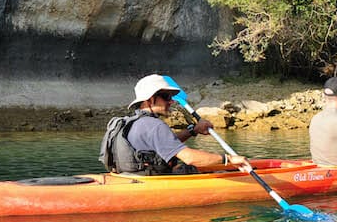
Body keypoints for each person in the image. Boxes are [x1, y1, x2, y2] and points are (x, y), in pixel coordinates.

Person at [101, 74, 245, 174]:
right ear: (150, 100)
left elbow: (166, 144)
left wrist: (193, 130)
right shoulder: (154, 126)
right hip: (152, 182)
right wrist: (228, 159)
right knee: (211, 170)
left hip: (129, 177)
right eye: (166, 97)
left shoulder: (132, 123)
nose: (171, 101)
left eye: (171, 97)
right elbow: (189, 158)